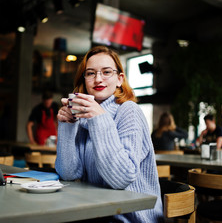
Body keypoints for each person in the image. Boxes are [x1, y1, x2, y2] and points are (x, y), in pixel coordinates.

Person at [55, 46, 164, 222]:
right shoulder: (83, 118)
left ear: (119, 79)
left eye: (106, 72)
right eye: (90, 73)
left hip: (131, 216)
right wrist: (68, 125)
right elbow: (68, 173)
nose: (98, 79)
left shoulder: (129, 111)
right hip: (94, 210)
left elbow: (121, 179)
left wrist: (100, 119)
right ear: (84, 80)